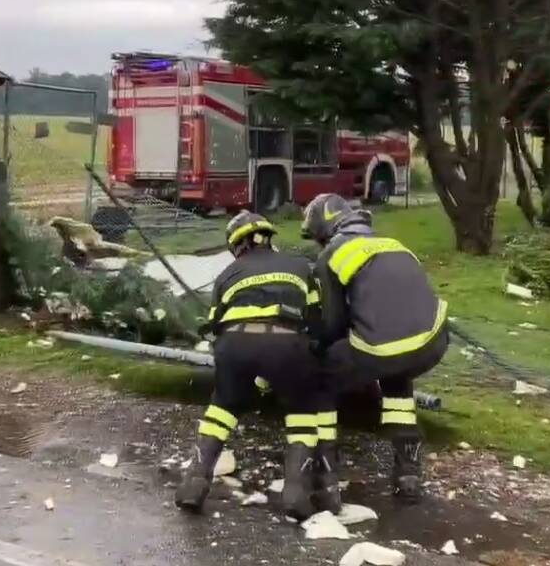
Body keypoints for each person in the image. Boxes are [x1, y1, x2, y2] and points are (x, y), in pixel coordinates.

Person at [175, 211, 337, 520]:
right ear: (269, 238)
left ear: (237, 246)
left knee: (222, 407)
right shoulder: (301, 266)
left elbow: (214, 325)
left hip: (234, 344)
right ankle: (296, 494)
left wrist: (237, 371)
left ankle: (194, 484)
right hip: (287, 343)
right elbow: (317, 321)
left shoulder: (227, 274)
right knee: (302, 411)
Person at [302, 193, 449, 501]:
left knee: (322, 378)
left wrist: (313, 345)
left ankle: (325, 470)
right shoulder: (394, 244)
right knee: (397, 374)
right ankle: (408, 472)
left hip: (384, 347)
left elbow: (332, 325)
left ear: (323, 231)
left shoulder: (332, 254)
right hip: (432, 341)